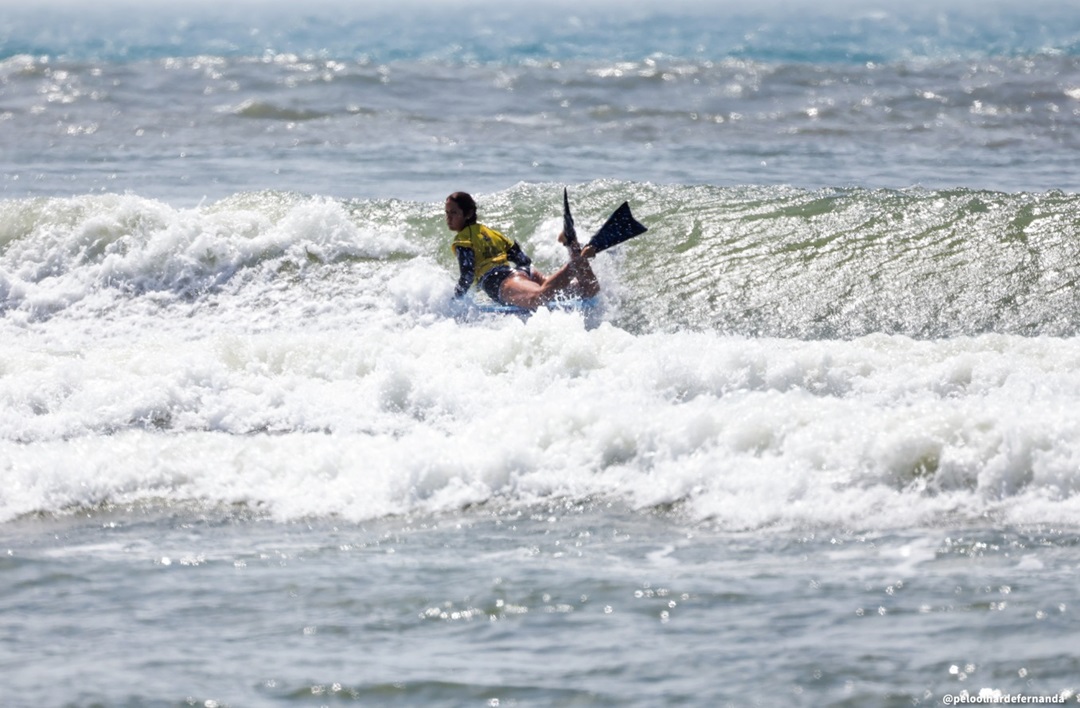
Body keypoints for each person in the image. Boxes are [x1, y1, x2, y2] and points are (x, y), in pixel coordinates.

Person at [445, 191, 599, 310]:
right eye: (447, 213)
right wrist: (521, 278)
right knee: (588, 290)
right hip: (524, 273)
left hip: (500, 281)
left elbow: (468, 274)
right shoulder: (492, 233)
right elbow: (523, 260)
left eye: (454, 213)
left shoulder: (462, 240)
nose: (449, 218)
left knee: (538, 298)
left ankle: (577, 260)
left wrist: (456, 300)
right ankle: (573, 247)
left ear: (468, 214)